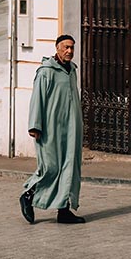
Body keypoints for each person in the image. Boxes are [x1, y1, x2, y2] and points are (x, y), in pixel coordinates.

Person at [19, 34, 85, 225]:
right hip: (50, 129)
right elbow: (37, 99)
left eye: (72, 48)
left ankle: (63, 210)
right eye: (65, 47)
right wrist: (35, 125)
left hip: (71, 129)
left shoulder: (72, 71)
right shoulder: (46, 72)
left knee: (69, 168)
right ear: (57, 48)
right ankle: (28, 196)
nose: (69, 51)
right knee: (51, 167)